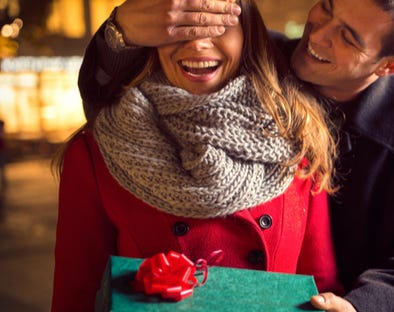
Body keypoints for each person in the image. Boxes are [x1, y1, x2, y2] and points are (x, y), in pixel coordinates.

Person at [76, 0, 394, 311]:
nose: (319, 33)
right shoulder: (258, 54)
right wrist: (120, 31)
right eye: (327, 6)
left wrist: (358, 305)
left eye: (346, 36)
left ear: (389, 66)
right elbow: (119, 97)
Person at [52, 1, 340, 310]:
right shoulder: (96, 153)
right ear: (153, 37)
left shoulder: (296, 138)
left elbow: (319, 284)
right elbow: (76, 295)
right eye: (182, 27)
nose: (199, 42)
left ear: (247, 35)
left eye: (220, 25)